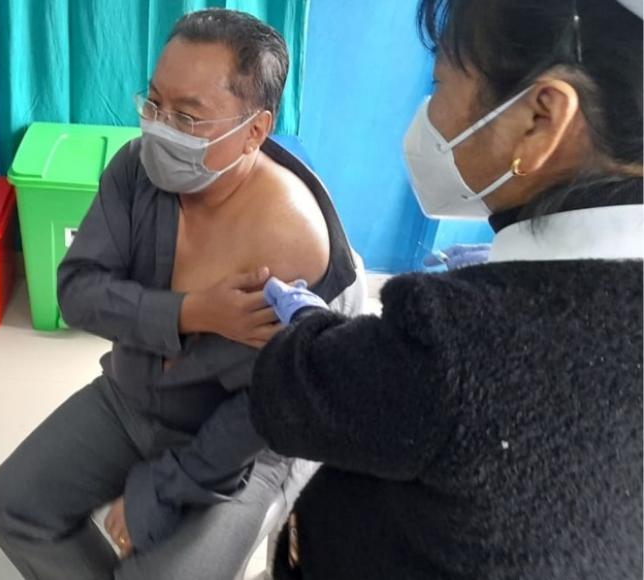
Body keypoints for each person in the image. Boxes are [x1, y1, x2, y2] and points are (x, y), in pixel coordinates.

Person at [249, 0, 643, 578]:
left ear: (541, 118)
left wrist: (309, 327)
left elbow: (287, 396)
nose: (428, 115)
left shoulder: (451, 344)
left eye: (440, 85)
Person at [0, 9, 364, 580]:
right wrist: (191, 312)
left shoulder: (291, 244)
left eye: (187, 117)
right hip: (131, 396)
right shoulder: (137, 171)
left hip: (243, 449)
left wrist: (161, 490)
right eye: (154, 103)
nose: (159, 129)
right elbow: (77, 291)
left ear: (255, 131)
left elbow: (260, 411)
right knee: (11, 506)